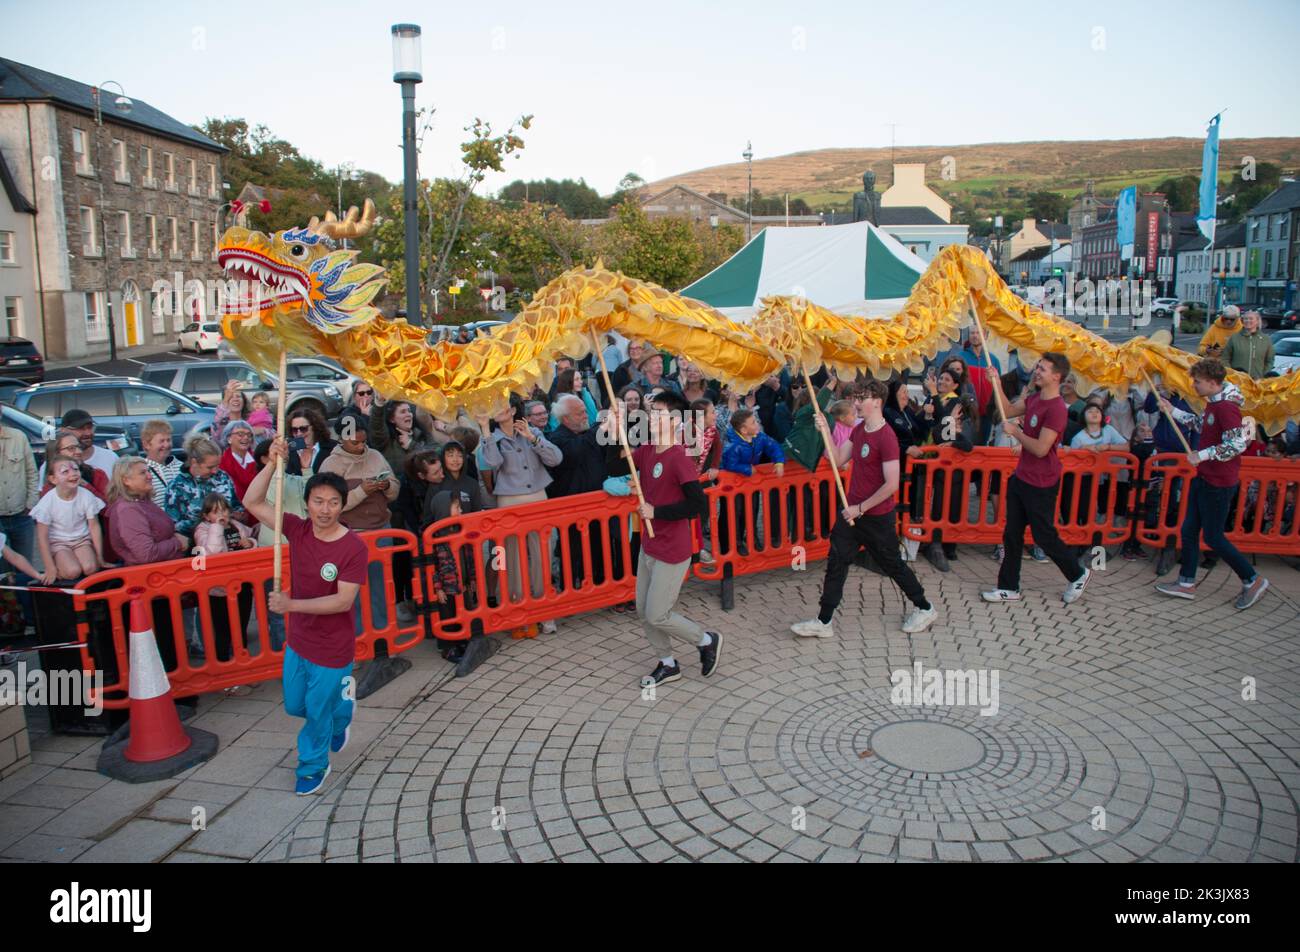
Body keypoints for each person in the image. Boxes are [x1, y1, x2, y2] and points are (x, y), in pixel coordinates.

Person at [243, 440, 368, 796]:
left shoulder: (353, 547)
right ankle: (341, 711)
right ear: (307, 503)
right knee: (296, 704)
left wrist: (291, 605)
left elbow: (343, 602)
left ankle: (313, 765)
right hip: (299, 640)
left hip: (332, 647)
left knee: (314, 713)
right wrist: (272, 463)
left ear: (342, 505)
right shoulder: (297, 529)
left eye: (333, 502)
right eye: (318, 501)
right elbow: (251, 503)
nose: (325, 509)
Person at [791, 380, 937, 638]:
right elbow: (837, 459)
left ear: (877, 402)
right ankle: (824, 621)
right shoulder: (859, 431)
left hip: (875, 517)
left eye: (862, 399)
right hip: (851, 514)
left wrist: (860, 508)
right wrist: (825, 431)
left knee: (892, 564)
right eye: (856, 398)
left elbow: (891, 484)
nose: (856, 403)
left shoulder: (887, 436)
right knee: (837, 561)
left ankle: (924, 607)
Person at [608, 391, 721, 687]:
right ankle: (667, 663)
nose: (651, 417)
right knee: (645, 611)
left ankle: (706, 640)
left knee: (658, 613)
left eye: (657, 413)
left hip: (673, 549)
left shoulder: (679, 458)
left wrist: (656, 510)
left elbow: (697, 505)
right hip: (649, 544)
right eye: (650, 412)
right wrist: (613, 429)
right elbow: (616, 465)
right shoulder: (646, 450)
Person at [1154, 358, 1269, 609]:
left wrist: (1202, 455)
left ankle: (1252, 578)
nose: (1193, 385)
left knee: (1214, 537)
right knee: (1189, 530)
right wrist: (1172, 411)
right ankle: (1186, 582)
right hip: (1205, 477)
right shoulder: (1214, 404)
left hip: (1218, 482)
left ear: (1213, 382)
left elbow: (1237, 445)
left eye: (1197, 381)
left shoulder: (1227, 408)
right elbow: (1201, 425)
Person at [981, 353, 1092, 605]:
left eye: (1043, 369)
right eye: (1038, 367)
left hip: (1042, 482)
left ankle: (1077, 573)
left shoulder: (1056, 410)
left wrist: (1017, 433)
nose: (1037, 371)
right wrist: (996, 382)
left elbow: (1042, 448)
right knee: (1012, 533)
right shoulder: (1033, 399)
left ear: (1057, 376)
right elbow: (1007, 410)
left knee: (1044, 536)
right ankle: (1008, 587)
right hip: (1022, 477)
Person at [476, 400, 563, 637]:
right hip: (508, 501)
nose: (499, 408)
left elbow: (556, 459)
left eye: (504, 404)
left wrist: (533, 438)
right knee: (511, 559)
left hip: (537, 497)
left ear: (514, 410)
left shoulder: (532, 431)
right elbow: (492, 462)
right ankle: (517, 613)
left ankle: (545, 612)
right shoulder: (491, 437)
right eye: (496, 405)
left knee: (542, 556)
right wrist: (484, 430)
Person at [320, 410, 400, 635]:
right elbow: (328, 508)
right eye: (355, 442)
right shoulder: (330, 465)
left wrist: (387, 486)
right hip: (348, 537)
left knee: (381, 588)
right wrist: (361, 491)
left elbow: (394, 489)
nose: (360, 447)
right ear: (342, 439)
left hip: (380, 532)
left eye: (363, 441)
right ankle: (357, 641)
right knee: (351, 593)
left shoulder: (375, 456)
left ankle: (384, 638)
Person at [719, 407, 786, 556]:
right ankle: (734, 542)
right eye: (753, 422)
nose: (757, 424)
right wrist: (747, 469)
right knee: (735, 512)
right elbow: (730, 464)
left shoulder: (758, 437)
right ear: (743, 429)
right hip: (732, 485)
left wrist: (779, 461)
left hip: (750, 484)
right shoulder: (733, 445)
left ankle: (751, 536)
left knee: (752, 509)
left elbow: (773, 446)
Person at [31, 455, 104, 581]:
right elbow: (42, 536)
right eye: (65, 471)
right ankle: (60, 566)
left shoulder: (86, 495)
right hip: (59, 543)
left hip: (81, 540)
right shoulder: (47, 502)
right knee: (72, 571)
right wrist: (50, 567)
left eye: (75, 469)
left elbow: (94, 526)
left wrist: (100, 556)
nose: (73, 474)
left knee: (90, 568)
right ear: (53, 479)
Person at [0, 414, 39, 628]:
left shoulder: (18, 436)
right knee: (3, 578)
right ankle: (12, 625)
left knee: (24, 571)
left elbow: (31, 473)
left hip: (21, 514)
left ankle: (33, 620)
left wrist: (31, 504)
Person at [165, 435, 245, 538]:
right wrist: (206, 520)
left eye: (218, 465)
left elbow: (236, 505)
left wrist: (237, 514)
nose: (215, 471)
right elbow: (173, 526)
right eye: (210, 467)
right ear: (194, 462)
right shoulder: (176, 487)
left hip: (230, 539)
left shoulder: (223, 477)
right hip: (196, 544)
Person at [40, 430, 109, 501]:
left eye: (79, 447)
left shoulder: (97, 475)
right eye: (71, 448)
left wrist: (86, 485)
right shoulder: (50, 485)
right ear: (57, 453)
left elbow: (109, 508)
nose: (79, 451)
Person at [59, 409, 119, 480]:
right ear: (64, 430)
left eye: (90, 427)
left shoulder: (110, 458)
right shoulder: (53, 465)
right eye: (81, 428)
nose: (88, 433)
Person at [285, 407, 337, 478]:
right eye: (294, 430)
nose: (299, 433)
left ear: (314, 427)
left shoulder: (333, 448)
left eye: (303, 429)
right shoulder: (288, 451)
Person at [1222, 310, 1275, 379]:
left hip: (1257, 381)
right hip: (1238, 381)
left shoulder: (1266, 339)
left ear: (1257, 321)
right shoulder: (1234, 338)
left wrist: (1263, 375)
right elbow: (1225, 358)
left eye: (1251, 318)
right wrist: (1232, 374)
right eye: (1245, 319)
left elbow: (1270, 360)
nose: (1247, 321)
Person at [140, 420, 182, 507]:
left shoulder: (180, 467)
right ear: (147, 444)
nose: (166, 445)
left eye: (168, 440)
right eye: (161, 441)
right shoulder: (141, 471)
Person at [219, 420, 259, 503]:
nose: (246, 438)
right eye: (240, 434)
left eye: (249, 435)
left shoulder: (258, 460)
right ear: (229, 438)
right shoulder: (221, 463)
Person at [211, 381, 249, 446]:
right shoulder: (221, 423)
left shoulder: (251, 420)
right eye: (231, 397)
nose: (235, 399)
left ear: (244, 400)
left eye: (238, 396)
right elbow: (216, 434)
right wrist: (226, 399)